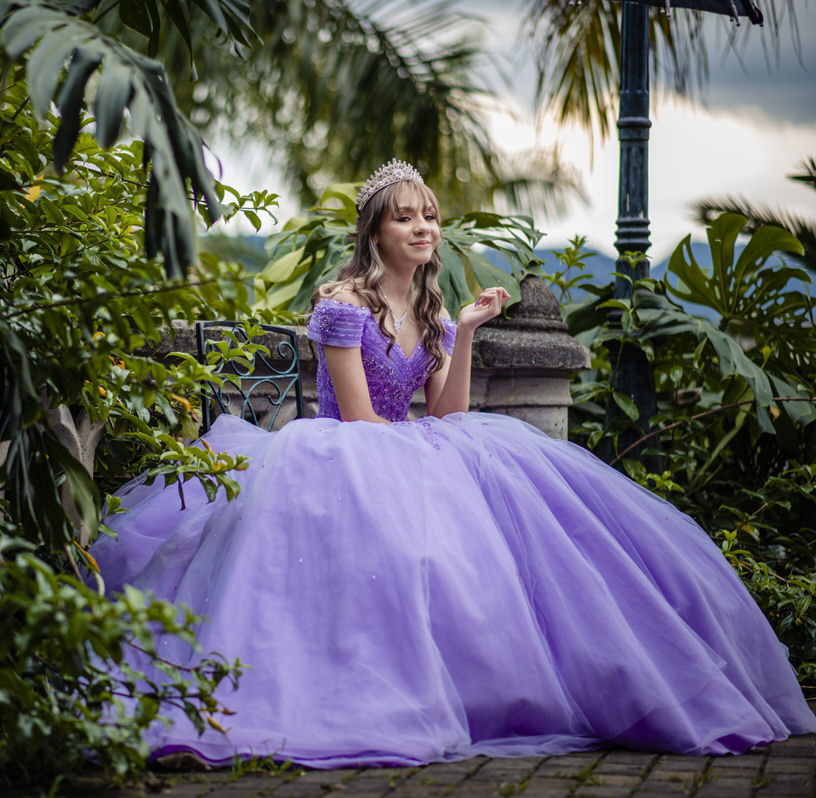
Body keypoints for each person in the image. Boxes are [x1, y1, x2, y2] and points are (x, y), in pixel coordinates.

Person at [88, 160, 816, 768]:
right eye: (406, 217)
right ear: (376, 230)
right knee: (409, 548)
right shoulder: (342, 306)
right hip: (347, 451)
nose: (423, 227)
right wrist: (408, 453)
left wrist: (463, 330)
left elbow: (447, 412)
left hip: (413, 443)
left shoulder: (433, 311)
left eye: (430, 216)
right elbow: (361, 418)